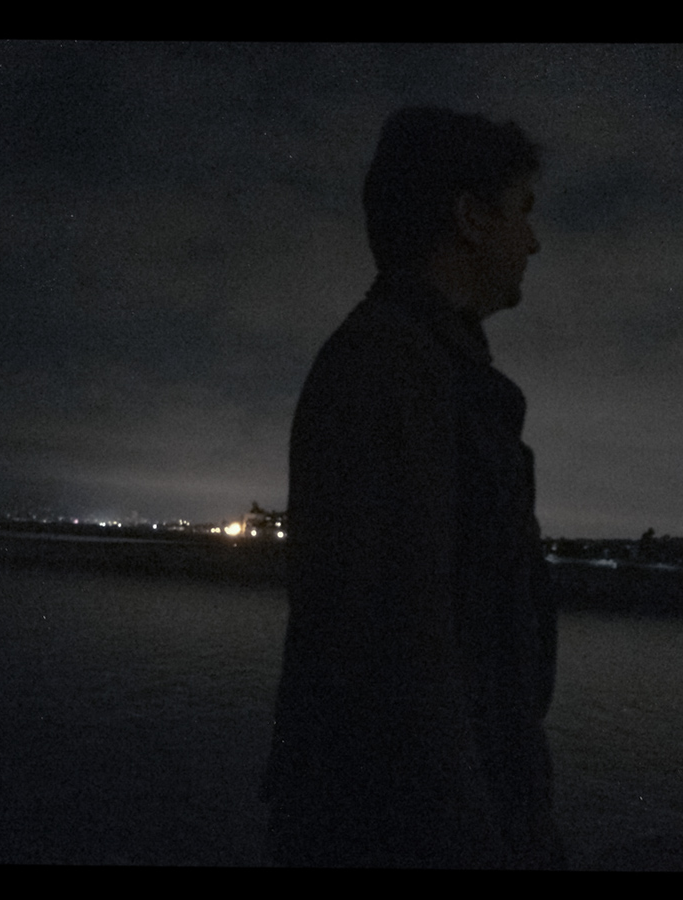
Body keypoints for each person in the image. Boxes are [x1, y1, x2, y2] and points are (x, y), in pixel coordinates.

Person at [262, 107, 561, 869]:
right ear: (469, 217)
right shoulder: (389, 372)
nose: (534, 240)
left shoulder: (426, 371)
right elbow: (399, 663)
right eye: (522, 212)